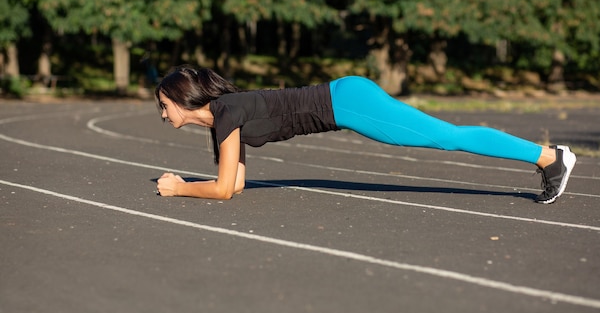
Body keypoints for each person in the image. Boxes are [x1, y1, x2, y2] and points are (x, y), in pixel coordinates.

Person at [155, 65, 576, 204]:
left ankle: (549, 157)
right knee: (444, 135)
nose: (161, 113)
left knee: (445, 136)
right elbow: (238, 183)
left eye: (164, 105)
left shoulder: (228, 113)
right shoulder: (225, 120)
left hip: (349, 103)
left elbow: (225, 189)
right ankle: (548, 156)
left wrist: (179, 188)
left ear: (183, 99)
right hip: (346, 98)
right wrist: (196, 185)